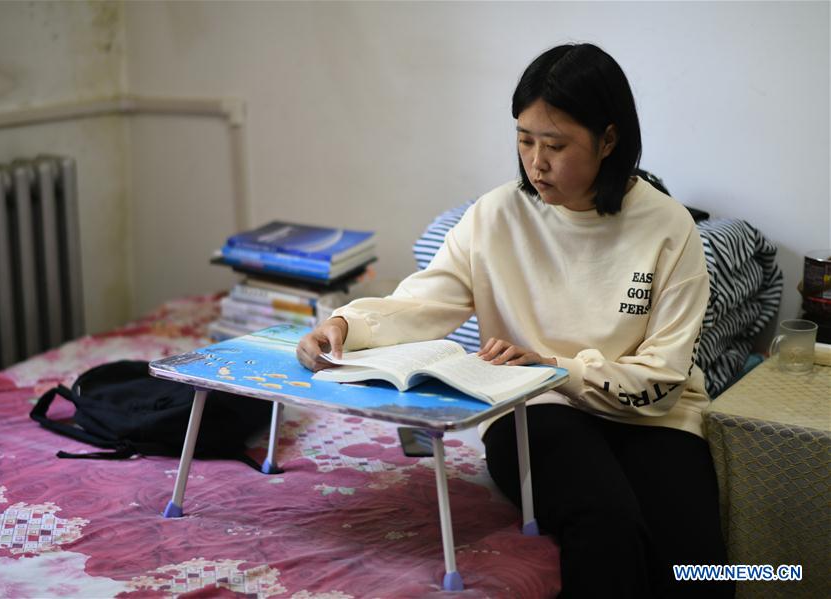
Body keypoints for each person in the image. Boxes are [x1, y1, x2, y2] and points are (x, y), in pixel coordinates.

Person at [297, 43, 733, 598]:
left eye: (556, 145)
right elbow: (421, 303)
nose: (536, 162)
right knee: (606, 524)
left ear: (608, 140)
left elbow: (664, 377)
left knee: (698, 565)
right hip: (532, 407)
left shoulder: (668, 228)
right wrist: (345, 325)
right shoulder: (495, 216)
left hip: (652, 415)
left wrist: (554, 365)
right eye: (525, 140)